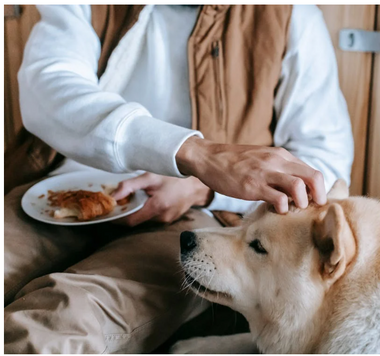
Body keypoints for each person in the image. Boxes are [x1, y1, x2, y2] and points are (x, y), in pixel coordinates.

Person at [4, 5, 353, 353]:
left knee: (62, 319)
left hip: (195, 217)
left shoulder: (291, 14)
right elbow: (47, 84)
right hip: (60, 192)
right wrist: (194, 154)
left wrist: (203, 187)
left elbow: (325, 167)